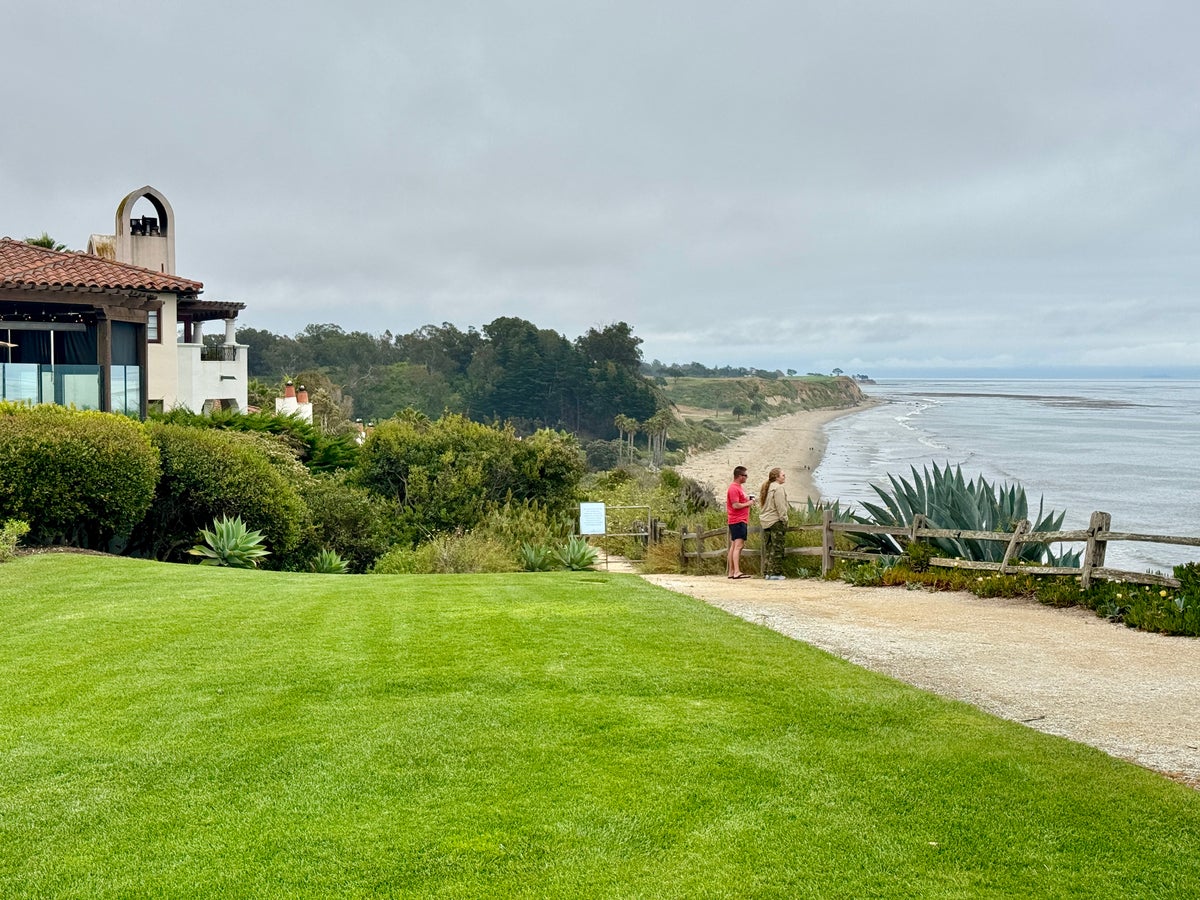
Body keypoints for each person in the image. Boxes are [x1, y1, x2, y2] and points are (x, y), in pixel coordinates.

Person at [758, 467, 789, 580]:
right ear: (776, 477)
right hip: (775, 521)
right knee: (777, 547)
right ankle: (775, 573)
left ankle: (767, 572)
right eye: (783, 475)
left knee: (769, 547)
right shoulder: (778, 488)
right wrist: (784, 519)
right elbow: (780, 506)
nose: (784, 477)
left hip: (766, 521)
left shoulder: (767, 488)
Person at [726, 465, 753, 578]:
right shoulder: (733, 488)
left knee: (733, 546)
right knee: (738, 546)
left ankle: (732, 571)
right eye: (745, 475)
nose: (746, 477)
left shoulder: (739, 487)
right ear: (739, 476)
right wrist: (749, 504)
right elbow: (735, 505)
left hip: (739, 520)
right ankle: (736, 571)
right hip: (737, 520)